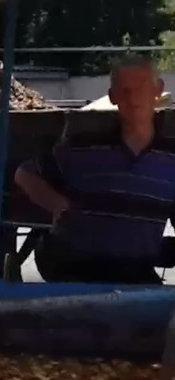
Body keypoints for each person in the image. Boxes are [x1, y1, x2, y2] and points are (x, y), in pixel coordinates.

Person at [15, 55, 175, 284]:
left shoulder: (170, 158)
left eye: (140, 88)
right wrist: (56, 204)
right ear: (112, 96)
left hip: (135, 271)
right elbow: (26, 174)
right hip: (76, 269)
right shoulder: (84, 148)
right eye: (124, 91)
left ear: (158, 90)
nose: (132, 98)